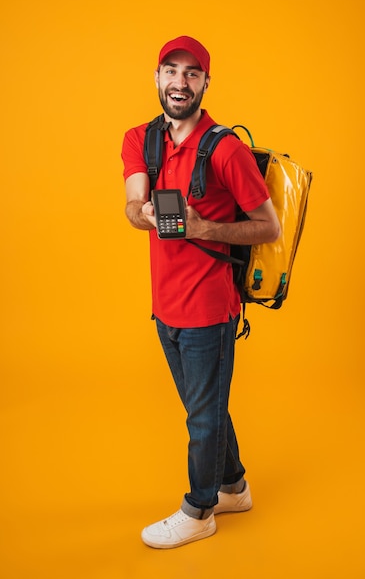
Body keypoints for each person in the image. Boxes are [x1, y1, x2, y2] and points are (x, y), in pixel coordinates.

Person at [121, 35, 280, 549]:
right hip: (164, 303)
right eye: (172, 70)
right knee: (203, 405)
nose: (180, 81)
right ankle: (234, 486)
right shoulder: (140, 139)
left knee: (203, 413)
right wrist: (144, 214)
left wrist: (203, 227)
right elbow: (132, 205)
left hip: (210, 307)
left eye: (192, 73)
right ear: (157, 77)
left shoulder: (226, 150)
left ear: (206, 83)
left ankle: (200, 508)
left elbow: (268, 227)